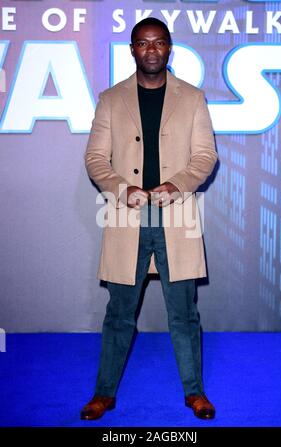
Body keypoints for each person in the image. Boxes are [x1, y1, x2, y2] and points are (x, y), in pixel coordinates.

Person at [81, 17, 218, 421]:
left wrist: (177, 185)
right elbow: (94, 159)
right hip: (127, 218)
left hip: (177, 217)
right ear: (132, 49)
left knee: (184, 314)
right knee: (119, 313)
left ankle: (195, 393)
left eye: (159, 43)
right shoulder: (110, 99)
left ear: (169, 48)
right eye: (143, 43)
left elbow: (205, 157)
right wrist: (122, 188)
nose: (152, 50)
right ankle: (103, 394)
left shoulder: (193, 98)